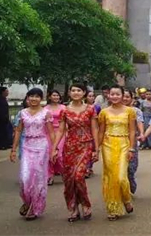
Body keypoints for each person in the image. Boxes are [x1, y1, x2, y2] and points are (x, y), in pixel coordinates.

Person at [53, 83, 99, 222]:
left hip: (85, 145)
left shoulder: (90, 109)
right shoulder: (65, 110)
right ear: (69, 93)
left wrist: (96, 149)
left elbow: (94, 129)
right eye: (73, 90)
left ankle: (85, 204)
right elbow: (61, 130)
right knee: (69, 179)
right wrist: (54, 148)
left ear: (84, 93)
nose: (76, 92)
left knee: (78, 177)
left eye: (79, 90)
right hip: (70, 147)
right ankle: (73, 207)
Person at [10, 88, 55, 221]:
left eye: (37, 96)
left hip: (41, 147)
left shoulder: (46, 113)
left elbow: (51, 132)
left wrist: (55, 149)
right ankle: (27, 201)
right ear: (27, 98)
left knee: (38, 178)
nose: (34, 99)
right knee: (25, 178)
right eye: (31, 96)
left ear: (41, 98)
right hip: (27, 146)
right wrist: (13, 149)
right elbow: (18, 131)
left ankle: (35, 207)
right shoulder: (22, 113)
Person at [97, 85, 136, 221]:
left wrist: (131, 148)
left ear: (122, 95)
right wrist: (96, 148)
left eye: (117, 94)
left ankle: (126, 199)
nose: (114, 96)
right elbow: (101, 131)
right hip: (107, 145)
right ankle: (113, 209)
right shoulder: (104, 112)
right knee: (110, 177)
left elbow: (132, 131)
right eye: (112, 94)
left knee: (121, 177)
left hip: (124, 145)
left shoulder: (130, 111)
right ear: (108, 95)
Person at [123, 89, 144, 194]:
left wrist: (142, 133)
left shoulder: (136, 111)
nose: (125, 99)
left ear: (132, 99)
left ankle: (131, 180)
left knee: (131, 166)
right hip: (117, 140)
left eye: (127, 97)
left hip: (132, 140)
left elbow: (140, 122)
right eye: (123, 96)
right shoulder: (115, 110)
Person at [45, 89, 66, 185]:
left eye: (57, 95)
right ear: (49, 97)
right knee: (49, 154)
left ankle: (63, 172)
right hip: (48, 132)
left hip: (61, 132)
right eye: (54, 95)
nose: (56, 97)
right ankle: (49, 176)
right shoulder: (45, 108)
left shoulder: (64, 108)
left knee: (59, 154)